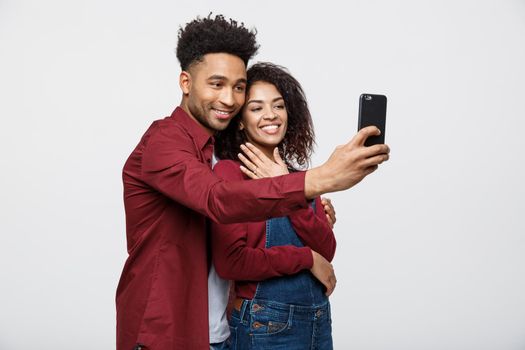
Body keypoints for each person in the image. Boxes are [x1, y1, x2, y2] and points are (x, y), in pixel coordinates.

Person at [116, 14, 390, 350]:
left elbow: (255, 217)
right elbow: (219, 200)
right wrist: (317, 181)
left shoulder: (221, 152)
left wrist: (304, 205)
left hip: (223, 333)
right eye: (216, 84)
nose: (230, 100)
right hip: (167, 334)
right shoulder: (164, 142)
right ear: (186, 83)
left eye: (238, 87)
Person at [212, 62, 337, 349]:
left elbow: (327, 250)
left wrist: (285, 185)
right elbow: (232, 261)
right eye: (256, 108)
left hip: (319, 319)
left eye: (278, 106)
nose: (270, 115)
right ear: (240, 120)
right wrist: (307, 258)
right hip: (265, 324)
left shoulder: (301, 179)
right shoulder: (229, 175)